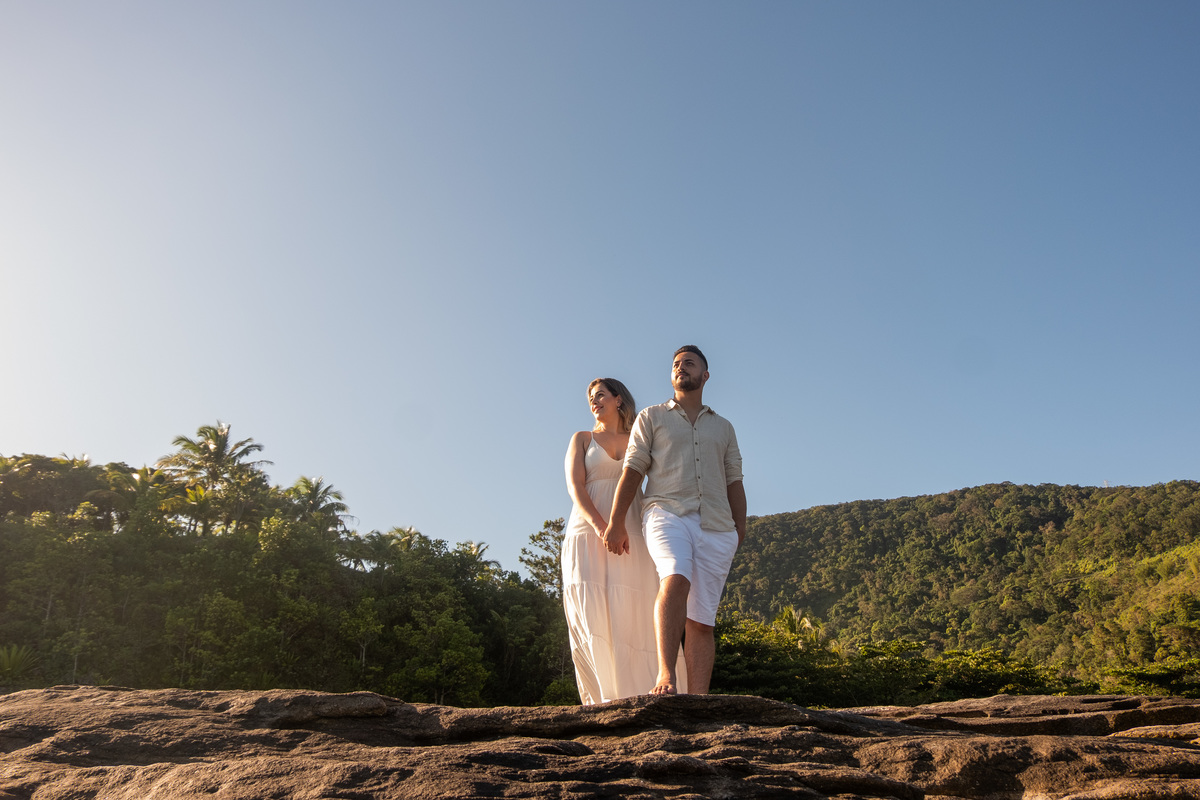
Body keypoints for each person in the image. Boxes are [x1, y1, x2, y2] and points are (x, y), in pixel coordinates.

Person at [603, 346, 746, 695]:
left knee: (702, 620)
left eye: (689, 363)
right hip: (666, 511)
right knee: (676, 575)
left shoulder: (724, 428)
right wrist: (616, 521)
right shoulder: (652, 417)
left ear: (705, 376)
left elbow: (734, 481)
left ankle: (698, 701)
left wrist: (739, 532)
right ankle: (666, 676)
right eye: (676, 364)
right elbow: (633, 469)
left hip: (717, 525)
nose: (681, 368)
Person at [561, 378, 686, 703]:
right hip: (587, 533)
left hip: (634, 532)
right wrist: (604, 527)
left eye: (600, 395)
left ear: (619, 399)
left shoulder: (638, 439)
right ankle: (602, 704)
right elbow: (576, 487)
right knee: (594, 616)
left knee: (638, 607)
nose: (594, 402)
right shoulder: (582, 439)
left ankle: (654, 695)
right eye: (591, 397)